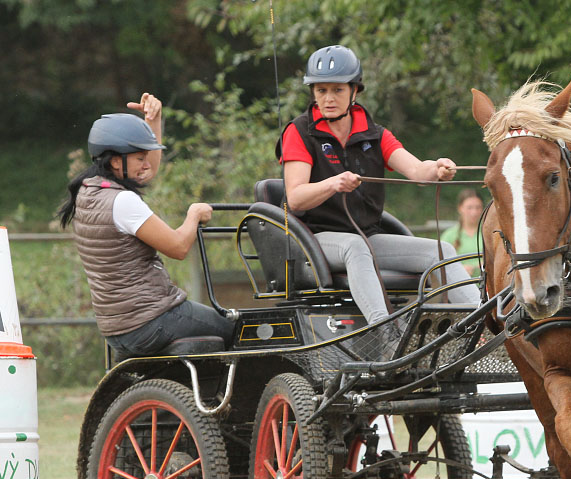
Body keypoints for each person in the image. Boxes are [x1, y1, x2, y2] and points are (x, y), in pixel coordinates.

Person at [277, 45, 481, 335]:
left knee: (441, 250)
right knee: (354, 246)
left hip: (367, 237)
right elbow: (295, 198)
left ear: (354, 91)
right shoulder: (298, 132)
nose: (328, 98)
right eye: (320, 90)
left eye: (337, 90)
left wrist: (436, 169)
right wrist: (333, 183)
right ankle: (387, 333)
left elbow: (416, 172)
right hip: (315, 239)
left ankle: (484, 324)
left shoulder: (375, 134)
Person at [57, 93, 235, 357]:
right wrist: (194, 214)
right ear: (116, 161)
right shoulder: (122, 201)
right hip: (152, 318)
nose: (146, 164)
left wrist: (154, 121)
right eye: (139, 157)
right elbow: (178, 247)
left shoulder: (89, 190)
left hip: (117, 327)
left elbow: (147, 170)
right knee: (237, 331)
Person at [440, 189, 485, 276]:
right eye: (470, 207)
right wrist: (460, 269)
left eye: (478, 207)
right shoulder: (449, 235)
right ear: (460, 208)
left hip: (486, 286)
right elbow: (441, 265)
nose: (474, 212)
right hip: (459, 286)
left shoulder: (489, 234)